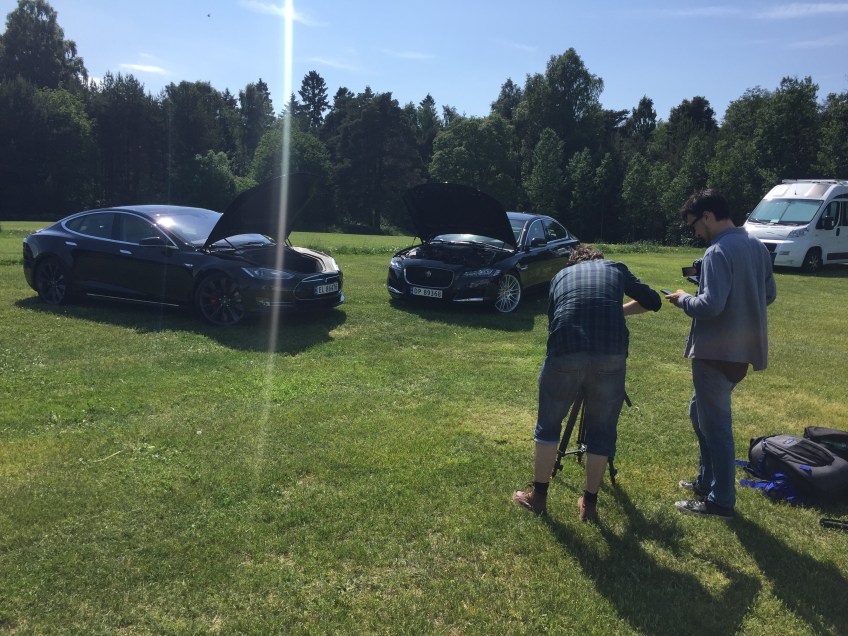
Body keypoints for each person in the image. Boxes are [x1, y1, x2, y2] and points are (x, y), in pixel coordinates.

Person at [512, 246, 661, 521]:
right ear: (599, 259)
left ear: (572, 263)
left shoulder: (560, 276)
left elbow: (554, 320)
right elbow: (653, 301)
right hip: (610, 353)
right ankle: (589, 505)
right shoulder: (615, 268)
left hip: (565, 349)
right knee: (602, 432)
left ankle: (538, 497)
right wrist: (616, 311)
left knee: (548, 425)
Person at [665, 189, 776, 519]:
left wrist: (683, 298)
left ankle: (721, 500)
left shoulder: (716, 251)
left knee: (716, 427)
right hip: (741, 353)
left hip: (714, 353)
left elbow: (710, 306)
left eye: (694, 225)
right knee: (698, 413)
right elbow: (769, 294)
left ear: (708, 216)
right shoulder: (756, 246)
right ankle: (706, 480)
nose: (695, 233)